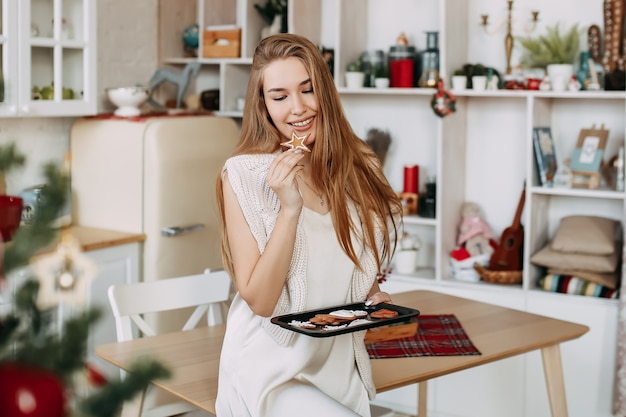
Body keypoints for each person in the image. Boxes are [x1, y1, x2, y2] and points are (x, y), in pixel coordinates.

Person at [214, 33, 403, 417]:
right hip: (270, 370)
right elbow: (261, 301)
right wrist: (288, 209)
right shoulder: (244, 175)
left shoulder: (359, 163)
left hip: (338, 366)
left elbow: (357, 269)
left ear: (326, 92)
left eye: (308, 89)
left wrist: (374, 299)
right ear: (264, 106)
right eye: (280, 96)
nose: (298, 108)